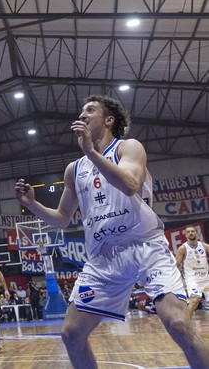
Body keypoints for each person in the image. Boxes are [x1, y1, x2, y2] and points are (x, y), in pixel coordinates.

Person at [14, 94, 209, 368]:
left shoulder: (127, 148)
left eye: (90, 110)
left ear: (109, 120)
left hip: (145, 246)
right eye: (81, 111)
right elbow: (61, 219)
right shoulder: (74, 169)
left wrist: (91, 153)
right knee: (71, 334)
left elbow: (130, 184)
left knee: (178, 323)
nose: (82, 115)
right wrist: (32, 204)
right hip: (104, 258)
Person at [175, 225, 209, 318]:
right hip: (192, 279)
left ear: (196, 233)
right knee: (195, 300)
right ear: (186, 235)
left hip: (206, 279)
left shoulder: (205, 246)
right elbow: (177, 265)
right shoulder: (182, 248)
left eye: (192, 231)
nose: (191, 233)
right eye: (188, 232)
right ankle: (186, 323)